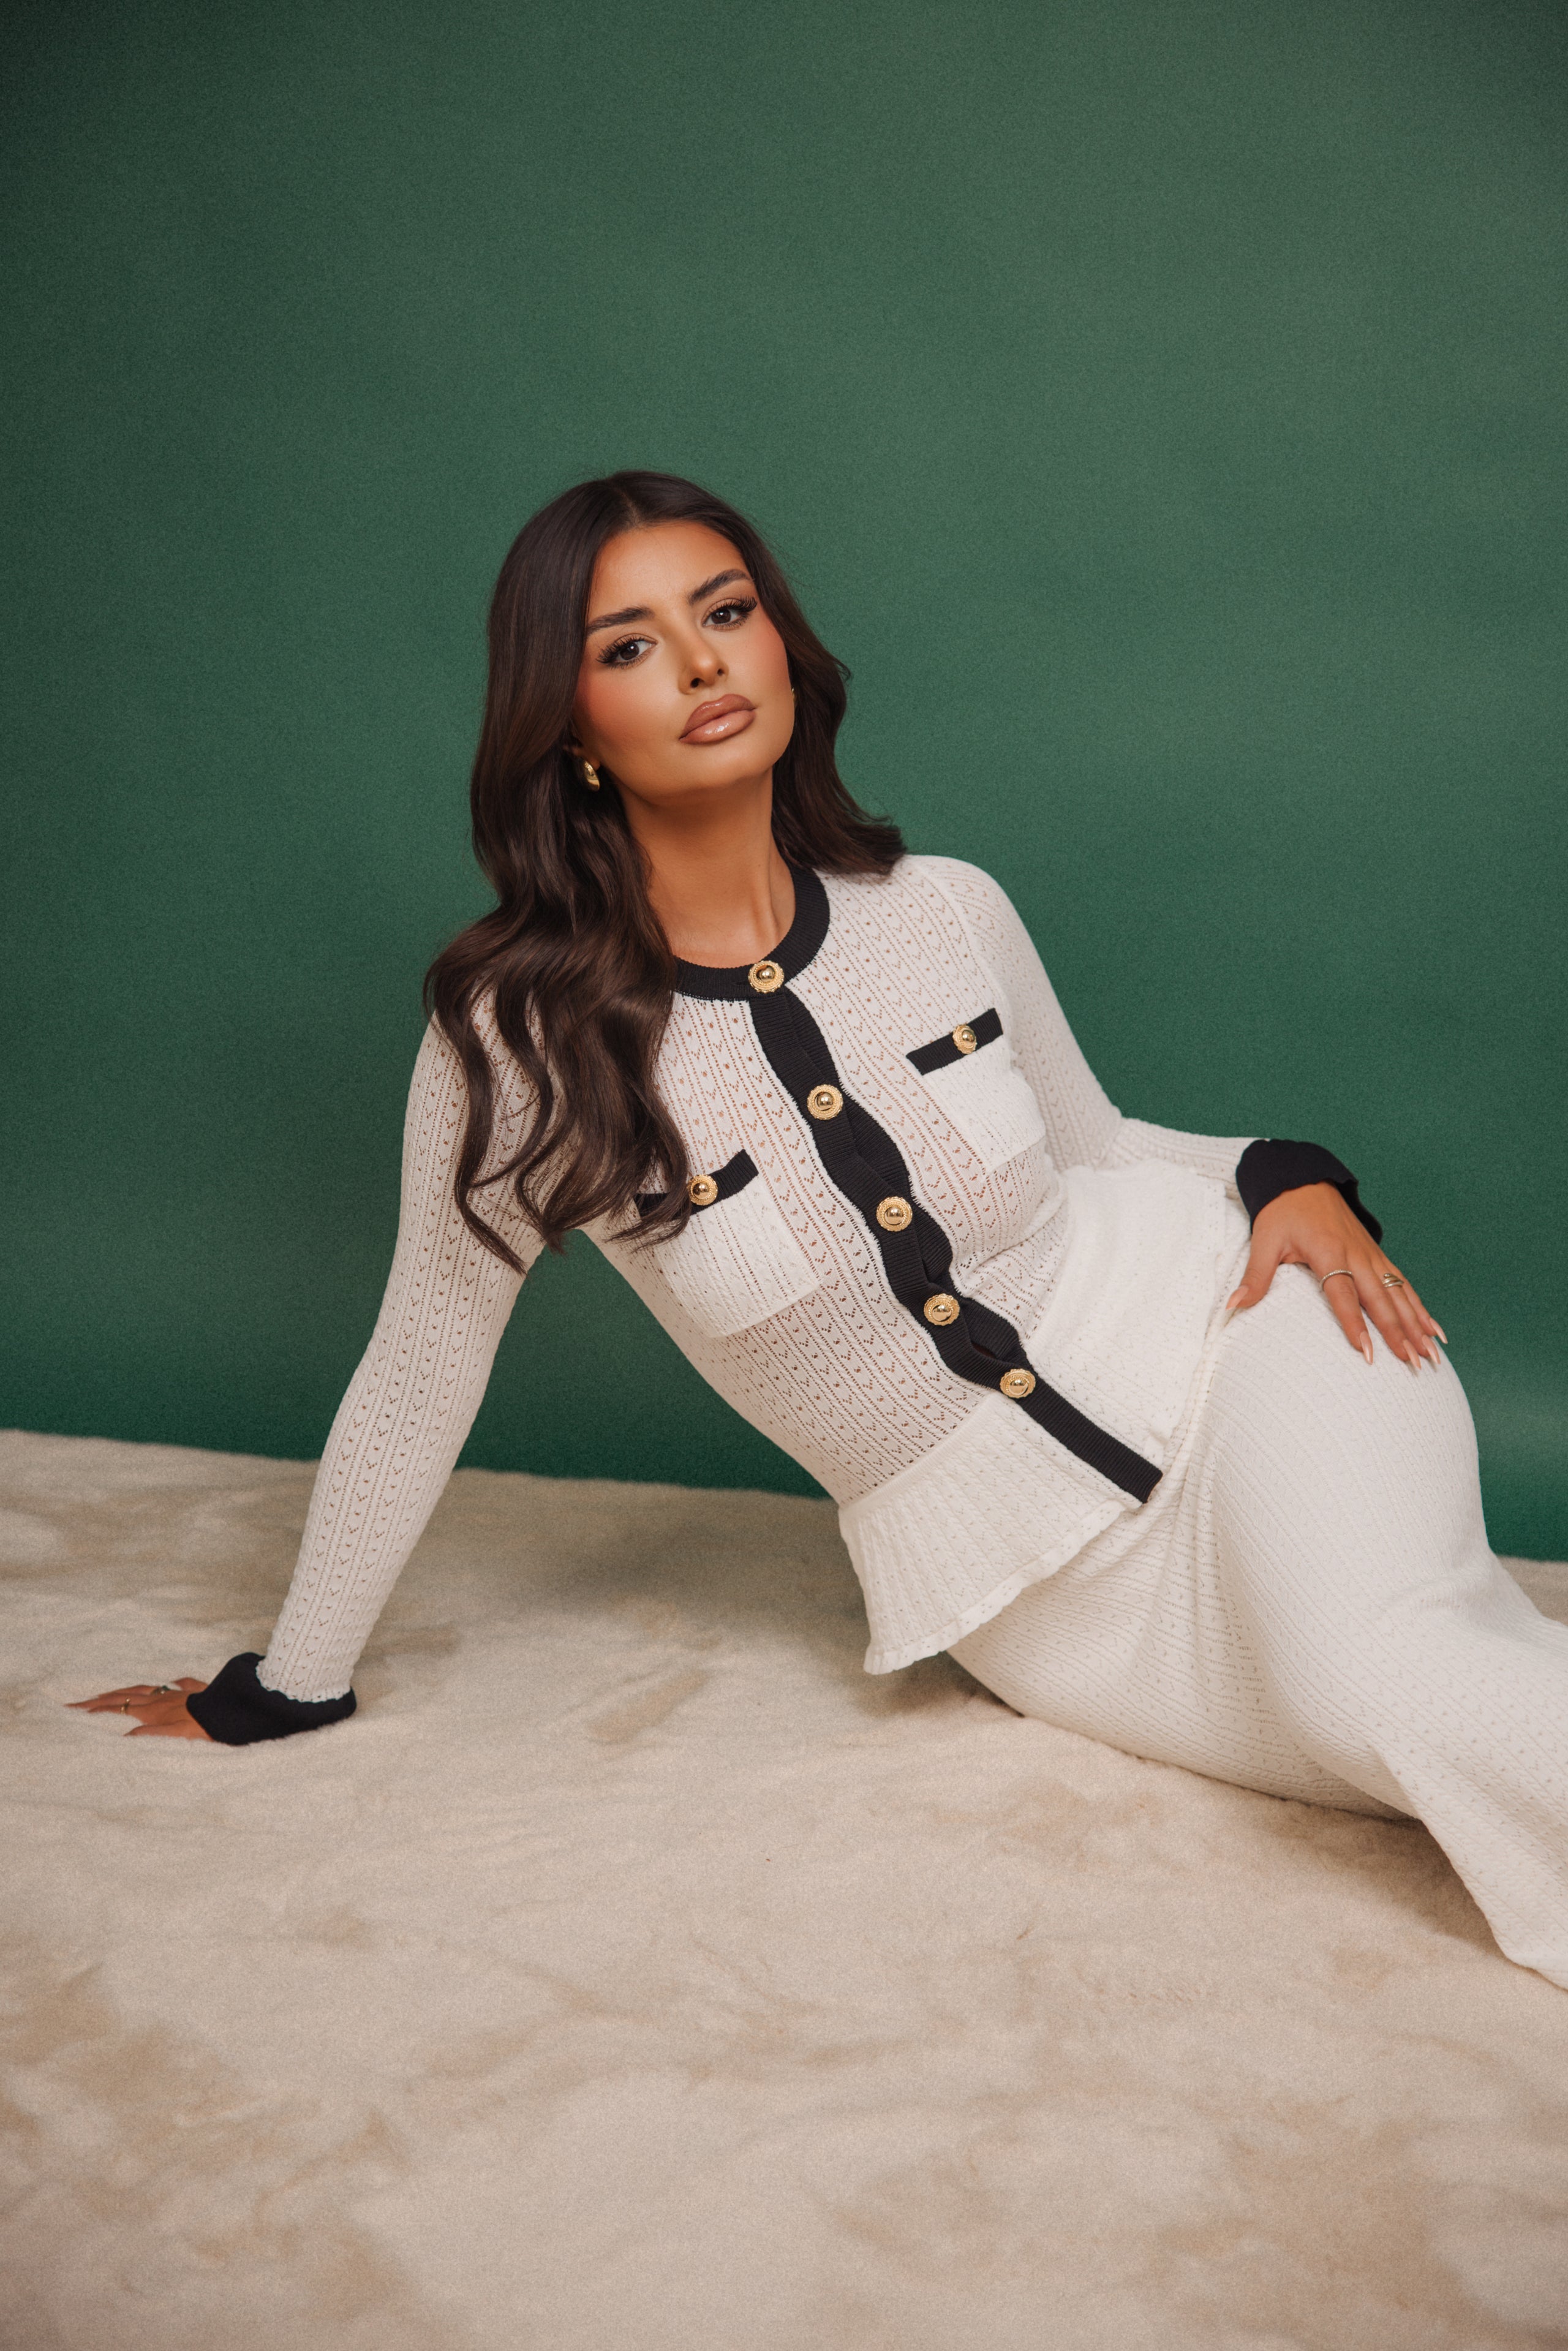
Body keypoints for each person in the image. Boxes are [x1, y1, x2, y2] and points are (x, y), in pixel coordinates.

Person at [72, 471, 1568, 1988]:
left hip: (1245, 1346)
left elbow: (1105, 1145)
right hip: (1024, 1600)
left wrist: (1286, 1173)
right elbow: (422, 1359)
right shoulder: (516, 1040)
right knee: (1372, 1726)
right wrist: (287, 1684)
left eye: (726, 612)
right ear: (566, 724)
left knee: (1386, 1673)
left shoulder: (942, 908)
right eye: (631, 642)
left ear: (784, 646)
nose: (706, 661)